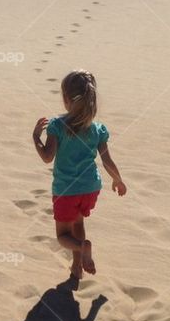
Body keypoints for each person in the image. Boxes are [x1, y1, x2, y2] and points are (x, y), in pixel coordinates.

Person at [32, 70, 127, 284]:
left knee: (63, 237)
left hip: (66, 190)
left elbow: (47, 157)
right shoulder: (98, 129)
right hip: (90, 188)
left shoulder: (57, 126)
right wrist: (118, 180)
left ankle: (82, 248)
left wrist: (36, 137)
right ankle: (76, 267)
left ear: (66, 100)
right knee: (78, 223)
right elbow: (107, 161)